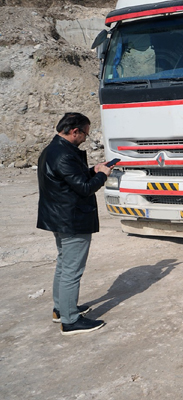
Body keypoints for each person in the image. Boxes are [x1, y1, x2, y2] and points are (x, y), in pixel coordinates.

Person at [37, 113, 115, 335]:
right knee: (72, 270)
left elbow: (71, 179)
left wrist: (94, 170)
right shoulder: (64, 155)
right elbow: (84, 188)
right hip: (71, 219)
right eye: (85, 135)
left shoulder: (54, 150)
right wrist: (103, 176)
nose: (85, 139)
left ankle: (61, 309)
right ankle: (70, 320)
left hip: (59, 217)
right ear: (75, 131)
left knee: (64, 265)